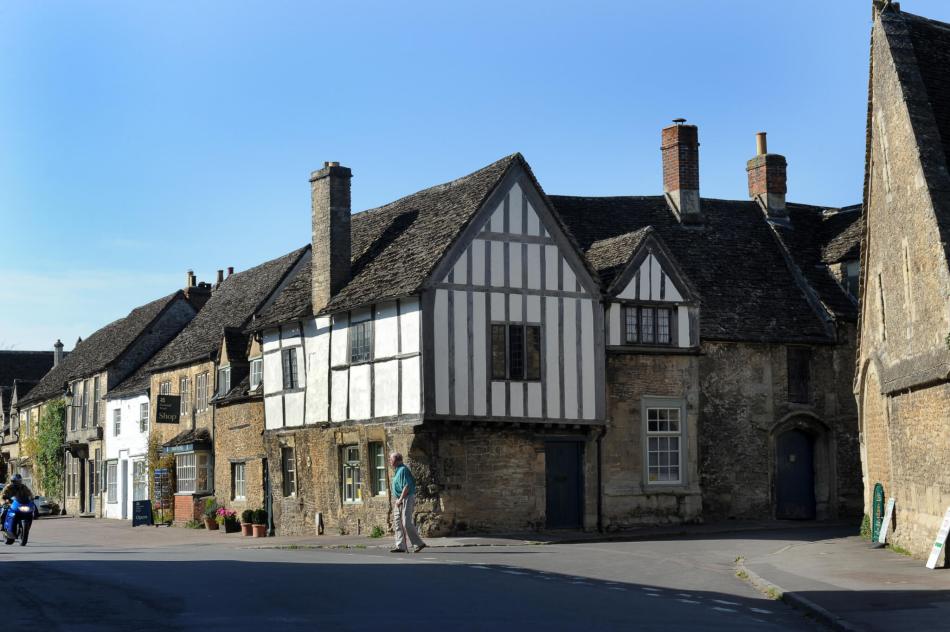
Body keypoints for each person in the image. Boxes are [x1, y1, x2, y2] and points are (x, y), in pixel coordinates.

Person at [389, 452, 426, 554]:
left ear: (397, 460)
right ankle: (400, 546)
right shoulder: (397, 470)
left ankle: (418, 543)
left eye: (391, 459)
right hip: (398, 499)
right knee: (397, 522)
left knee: (406, 522)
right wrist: (398, 499)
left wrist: (400, 499)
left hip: (406, 497)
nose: (390, 461)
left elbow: (407, 486)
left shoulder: (403, 470)